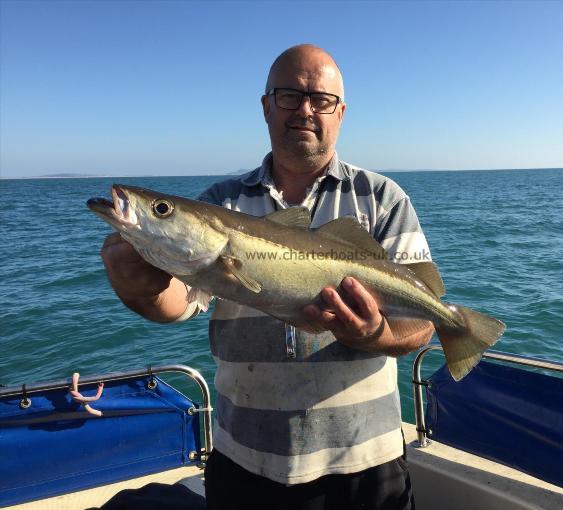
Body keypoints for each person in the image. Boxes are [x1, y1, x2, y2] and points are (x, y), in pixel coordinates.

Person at [100, 44, 434, 509]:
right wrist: (140, 287)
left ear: (341, 113)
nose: (305, 110)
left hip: (365, 462)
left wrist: (375, 334)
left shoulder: (383, 198)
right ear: (265, 106)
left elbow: (423, 323)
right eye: (289, 95)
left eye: (321, 100)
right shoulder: (221, 203)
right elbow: (179, 302)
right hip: (246, 461)